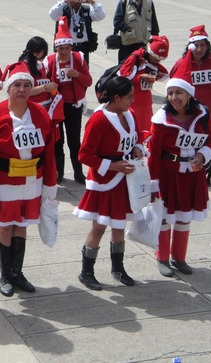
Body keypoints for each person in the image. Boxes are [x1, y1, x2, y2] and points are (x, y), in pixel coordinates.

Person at [0, 61, 57, 297]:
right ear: (9, 88)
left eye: (26, 85)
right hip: (5, 185)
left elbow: (49, 152)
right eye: (17, 85)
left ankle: (17, 272)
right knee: (5, 227)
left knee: (22, 226)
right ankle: (5, 275)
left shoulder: (40, 113)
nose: (22, 89)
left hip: (32, 183)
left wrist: (49, 187)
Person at [149, 50, 211, 277]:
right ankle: (162, 258)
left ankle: (180, 258)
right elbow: (154, 154)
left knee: (184, 217)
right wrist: (153, 184)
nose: (174, 98)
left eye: (179, 93)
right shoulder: (160, 121)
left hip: (192, 174)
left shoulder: (202, 115)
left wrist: (203, 155)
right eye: (170, 93)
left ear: (189, 95)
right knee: (165, 217)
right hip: (168, 174)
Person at [73, 76, 144, 290]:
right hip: (105, 182)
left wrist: (138, 147)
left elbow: (137, 137)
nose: (133, 100)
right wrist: (113, 166)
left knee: (119, 226)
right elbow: (84, 155)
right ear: (116, 97)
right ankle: (86, 271)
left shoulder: (130, 114)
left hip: (124, 181)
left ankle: (118, 268)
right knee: (99, 227)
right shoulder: (98, 120)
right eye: (129, 96)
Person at [170, 25, 211, 186]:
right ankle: (196, 168)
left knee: (208, 139)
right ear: (190, 46)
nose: (199, 49)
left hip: (209, 111)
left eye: (203, 45)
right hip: (189, 112)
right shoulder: (182, 63)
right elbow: (173, 83)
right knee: (193, 141)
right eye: (196, 45)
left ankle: (206, 165)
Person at [44, 17, 92, 184]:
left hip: (73, 105)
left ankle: (78, 173)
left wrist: (77, 75)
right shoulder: (50, 61)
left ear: (71, 47)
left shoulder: (78, 59)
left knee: (74, 141)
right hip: (56, 106)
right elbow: (45, 83)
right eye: (60, 48)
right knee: (58, 140)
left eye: (66, 48)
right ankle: (59, 172)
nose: (63, 51)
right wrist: (52, 85)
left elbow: (89, 81)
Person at [117, 35, 169, 138]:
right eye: (157, 57)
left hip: (146, 103)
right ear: (151, 52)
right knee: (131, 131)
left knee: (146, 132)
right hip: (132, 102)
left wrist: (156, 76)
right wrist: (140, 77)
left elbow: (164, 73)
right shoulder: (135, 57)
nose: (158, 61)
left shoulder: (152, 61)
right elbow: (122, 77)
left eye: (161, 59)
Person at [48, 0, 106, 65]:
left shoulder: (86, 10)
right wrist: (65, 1)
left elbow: (100, 16)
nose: (74, 3)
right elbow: (52, 14)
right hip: (66, 47)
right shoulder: (63, 10)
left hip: (83, 46)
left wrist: (93, 3)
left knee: (83, 71)